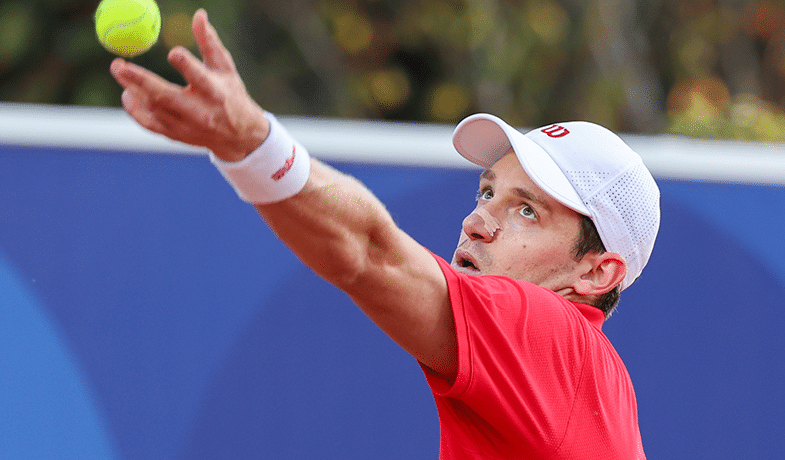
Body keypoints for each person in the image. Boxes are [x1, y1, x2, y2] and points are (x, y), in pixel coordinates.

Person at [110, 9, 659, 459]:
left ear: (596, 273)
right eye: (487, 193)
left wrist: (253, 144)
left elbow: (370, 254)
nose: (476, 222)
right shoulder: (582, 388)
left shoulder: (554, 340)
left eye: (527, 212)